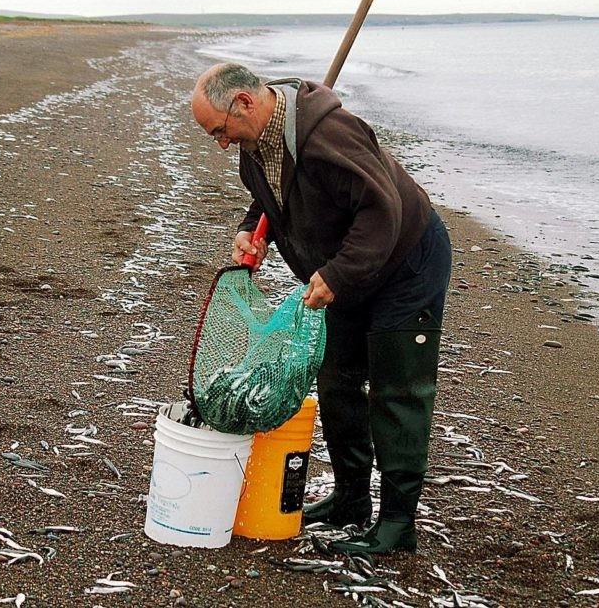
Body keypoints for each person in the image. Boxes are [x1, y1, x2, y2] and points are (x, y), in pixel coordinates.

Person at [191, 63, 452, 555]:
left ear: (244, 102)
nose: (222, 143)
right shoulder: (256, 142)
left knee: (397, 390)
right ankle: (351, 500)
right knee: (336, 380)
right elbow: (273, 194)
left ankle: (397, 525)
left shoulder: (329, 134)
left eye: (220, 131)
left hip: (406, 262)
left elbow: (382, 210)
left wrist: (336, 275)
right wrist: (252, 230)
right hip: (346, 266)